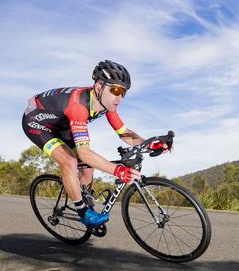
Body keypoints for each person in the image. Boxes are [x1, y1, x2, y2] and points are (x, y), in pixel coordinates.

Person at [22, 60, 169, 226]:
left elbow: (125, 134)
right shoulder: (79, 106)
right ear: (99, 87)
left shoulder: (106, 104)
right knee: (70, 161)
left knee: (87, 167)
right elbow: (84, 152)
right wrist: (117, 170)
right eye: (115, 90)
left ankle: (84, 199)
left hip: (62, 124)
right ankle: (83, 212)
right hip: (37, 124)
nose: (119, 97)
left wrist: (150, 144)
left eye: (123, 92)